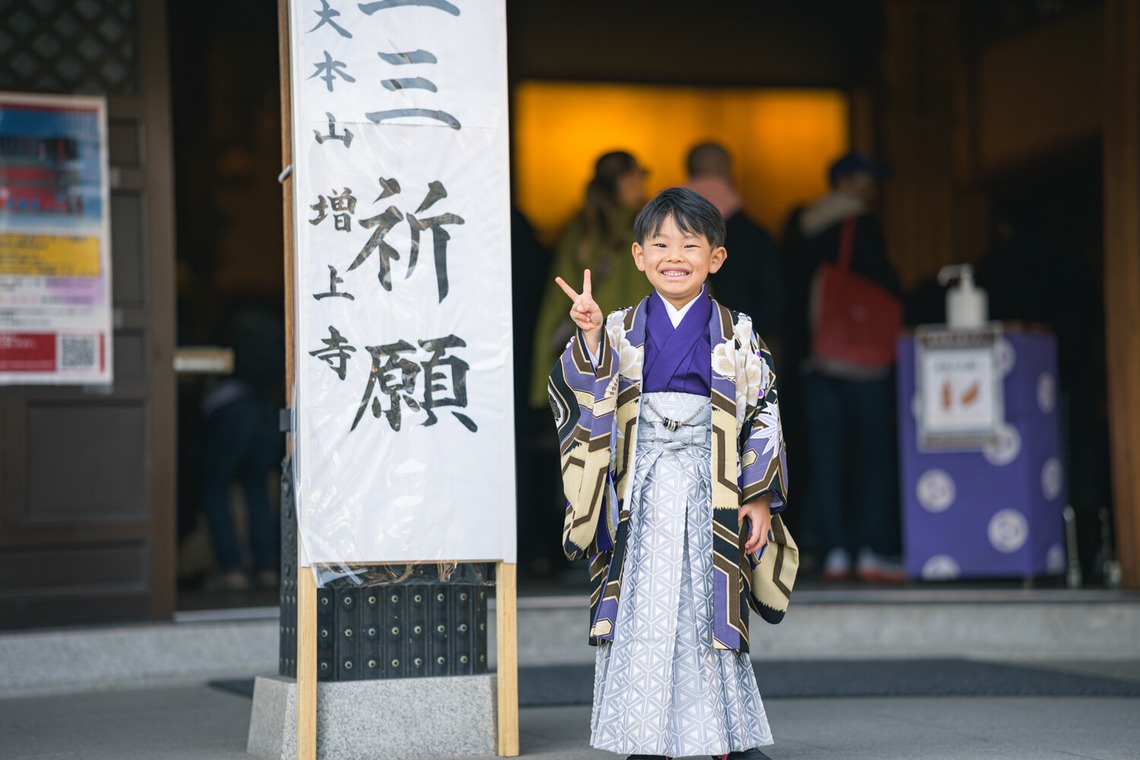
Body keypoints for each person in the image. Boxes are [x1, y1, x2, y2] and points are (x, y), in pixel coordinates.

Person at [547, 187, 787, 760]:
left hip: (713, 483)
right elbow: (582, 393)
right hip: (641, 487)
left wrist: (757, 496)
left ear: (716, 257)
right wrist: (586, 335)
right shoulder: (619, 327)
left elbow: (763, 408)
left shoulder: (738, 331)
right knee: (641, 607)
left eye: (689, 244)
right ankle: (642, 736)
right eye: (660, 243)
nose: (673, 255)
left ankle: (727, 736)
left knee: (710, 607)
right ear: (638, 255)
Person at [782, 151, 904, 583]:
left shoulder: (798, 225)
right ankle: (870, 548)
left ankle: (833, 550)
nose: (874, 190)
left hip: (815, 359)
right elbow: (884, 284)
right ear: (849, 181)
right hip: (863, 362)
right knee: (872, 455)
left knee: (825, 457)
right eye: (869, 180)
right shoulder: (861, 224)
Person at [528, 150, 651, 411]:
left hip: (590, 364)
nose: (643, 182)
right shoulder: (655, 231)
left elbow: (555, 307)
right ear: (626, 178)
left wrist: (542, 386)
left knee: (592, 447)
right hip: (646, 362)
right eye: (640, 174)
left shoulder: (579, 234)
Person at [684, 141, 784, 337]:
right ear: (729, 172)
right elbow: (775, 299)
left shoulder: (660, 229)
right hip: (738, 346)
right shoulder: (754, 234)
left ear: (689, 171)